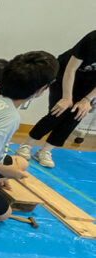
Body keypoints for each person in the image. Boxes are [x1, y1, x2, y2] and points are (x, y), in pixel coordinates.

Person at [0, 52, 59, 222]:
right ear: (40, 90)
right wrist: (5, 171)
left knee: (22, 164)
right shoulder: (10, 117)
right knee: (3, 214)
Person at [16, 30, 96, 168]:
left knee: (76, 114)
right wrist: (66, 97)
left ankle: (45, 151)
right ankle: (27, 144)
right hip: (65, 73)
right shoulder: (92, 39)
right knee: (60, 110)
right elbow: (70, 70)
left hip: (89, 81)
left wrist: (87, 100)